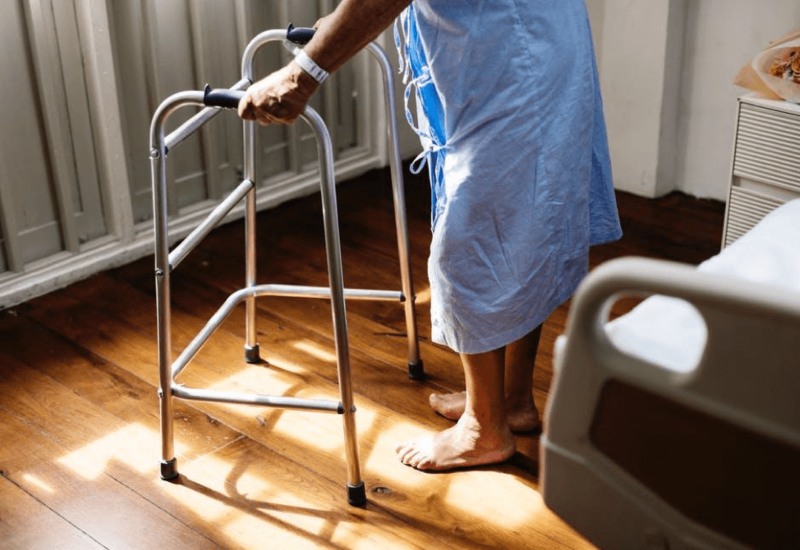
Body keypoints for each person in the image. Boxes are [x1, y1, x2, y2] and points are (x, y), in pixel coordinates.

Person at [238, 0, 622, 472]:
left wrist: (303, 73)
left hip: (514, 61)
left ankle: (485, 429)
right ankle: (510, 398)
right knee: (528, 226)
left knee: (475, 240)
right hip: (529, 44)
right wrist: (334, 30)